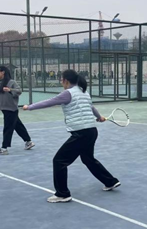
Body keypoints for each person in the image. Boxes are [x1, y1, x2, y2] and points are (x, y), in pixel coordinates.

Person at [23, 69, 120, 203]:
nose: (61, 81)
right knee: (88, 159)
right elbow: (91, 107)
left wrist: (29, 107)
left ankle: (62, 194)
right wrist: (99, 117)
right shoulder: (83, 92)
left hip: (81, 133)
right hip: (91, 131)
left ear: (66, 80)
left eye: (61, 79)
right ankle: (110, 181)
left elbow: (50, 102)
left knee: (59, 161)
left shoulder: (67, 93)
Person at [0, 66, 34, 155]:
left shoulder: (12, 82)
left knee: (8, 128)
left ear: (3, 72)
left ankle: (4, 148)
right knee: (18, 126)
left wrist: (10, 90)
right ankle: (29, 142)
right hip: (4, 109)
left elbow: (19, 91)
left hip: (11, 109)